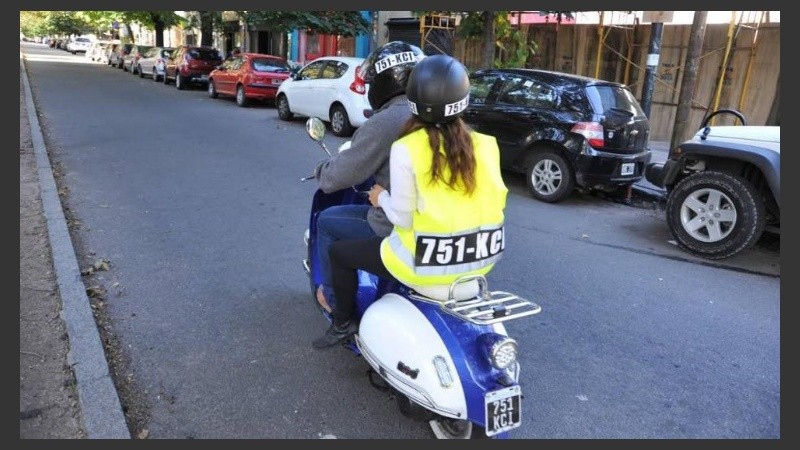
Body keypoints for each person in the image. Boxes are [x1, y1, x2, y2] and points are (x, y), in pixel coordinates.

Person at [312, 54, 509, 349]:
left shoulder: (409, 147)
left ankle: (342, 321)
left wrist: (380, 197)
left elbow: (401, 219)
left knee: (340, 252)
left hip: (424, 265)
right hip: (479, 265)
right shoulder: (485, 144)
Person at [312, 41, 426, 315]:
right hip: (436, 222)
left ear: (385, 80)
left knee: (327, 221)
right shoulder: (435, 114)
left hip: (399, 225)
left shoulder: (387, 120)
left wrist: (322, 170)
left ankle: (336, 302)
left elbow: (335, 178)